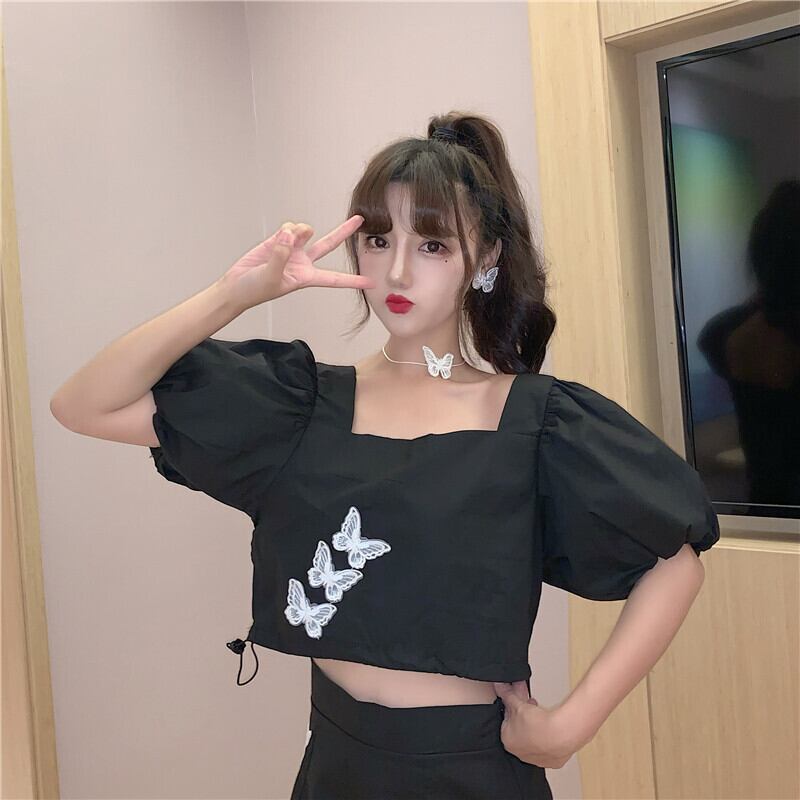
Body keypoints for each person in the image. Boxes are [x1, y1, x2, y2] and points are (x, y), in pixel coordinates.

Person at [51, 112, 720, 800]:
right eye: (378, 239)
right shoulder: (298, 407)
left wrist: (570, 725)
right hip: (336, 763)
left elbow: (676, 563)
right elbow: (84, 405)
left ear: (486, 258)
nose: (397, 269)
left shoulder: (537, 423)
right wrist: (234, 295)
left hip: (469, 772)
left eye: (432, 244)